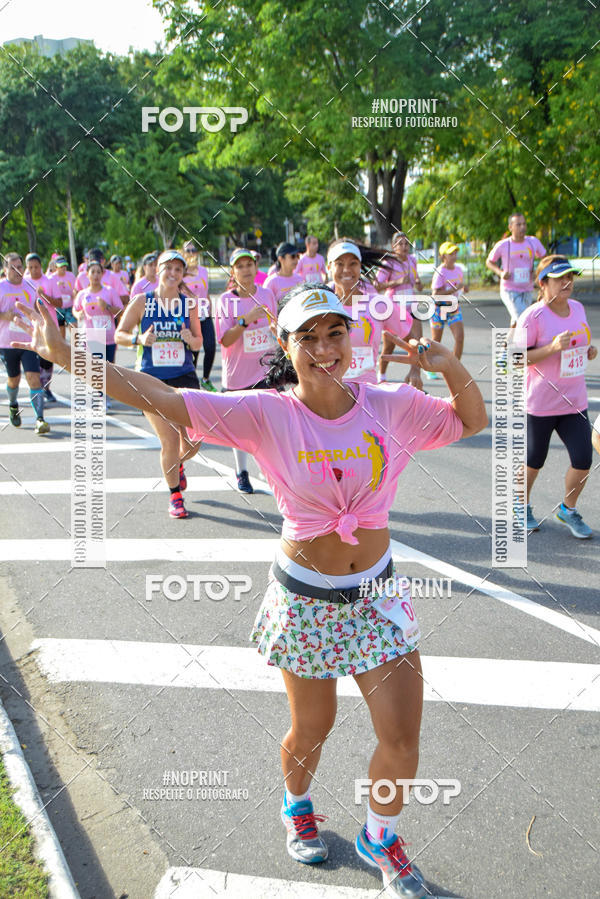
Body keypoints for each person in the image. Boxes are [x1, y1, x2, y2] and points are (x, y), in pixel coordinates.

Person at [17, 283, 487, 899]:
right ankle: (297, 804)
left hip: (376, 597)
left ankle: (381, 832)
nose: (324, 348)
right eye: (308, 337)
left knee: (402, 740)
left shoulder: (392, 404)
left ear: (352, 338)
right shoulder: (266, 413)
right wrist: (68, 357)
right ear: (286, 346)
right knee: (311, 730)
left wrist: (449, 365)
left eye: (335, 333)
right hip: (305, 602)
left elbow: (471, 420)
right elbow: (159, 394)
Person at [115, 250, 204, 518]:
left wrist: (190, 339)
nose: (173, 274)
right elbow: (119, 334)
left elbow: (200, 342)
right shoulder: (142, 301)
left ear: (182, 275)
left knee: (192, 442)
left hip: (184, 376)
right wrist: (138, 340)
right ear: (157, 270)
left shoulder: (189, 304)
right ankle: (175, 494)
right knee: (168, 440)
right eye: (168, 268)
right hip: (150, 377)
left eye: (178, 270)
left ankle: (176, 466)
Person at [518, 256, 596, 538]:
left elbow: (580, 341)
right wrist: (551, 348)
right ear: (544, 283)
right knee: (534, 459)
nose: (567, 282)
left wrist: (588, 350)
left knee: (583, 458)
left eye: (570, 277)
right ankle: (520, 504)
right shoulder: (533, 316)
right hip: (541, 403)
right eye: (560, 278)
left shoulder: (577, 308)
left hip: (574, 400)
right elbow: (516, 357)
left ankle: (568, 509)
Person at [215, 248, 277, 493]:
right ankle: (241, 472)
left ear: (256, 267)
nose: (246, 270)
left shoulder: (268, 294)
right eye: (239, 266)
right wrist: (246, 319)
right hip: (237, 375)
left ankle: (269, 469)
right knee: (239, 427)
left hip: (265, 370)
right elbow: (226, 340)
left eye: (249, 264)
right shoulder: (226, 301)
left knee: (266, 424)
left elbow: (276, 326)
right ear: (233, 272)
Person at [326, 238, 418, 386]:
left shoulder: (378, 305)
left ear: (360, 266)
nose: (347, 270)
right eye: (340, 264)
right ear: (329, 267)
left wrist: (415, 370)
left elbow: (412, 340)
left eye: (353, 263)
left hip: (368, 396)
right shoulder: (319, 307)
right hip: (328, 396)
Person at [1, 252, 57, 434]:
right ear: (5, 269)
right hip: (7, 343)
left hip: (29, 341)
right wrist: (6, 315)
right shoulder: (1, 287)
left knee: (34, 378)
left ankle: (40, 419)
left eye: (19, 266)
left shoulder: (30, 287)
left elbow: (36, 311)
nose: (17, 270)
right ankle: (13, 404)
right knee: (14, 379)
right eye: (12, 267)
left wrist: (42, 327)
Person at [375, 232, 424, 388]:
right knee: (389, 346)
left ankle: (413, 376)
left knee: (418, 343)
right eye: (400, 244)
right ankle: (381, 374)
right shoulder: (389, 263)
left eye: (406, 244)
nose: (404, 247)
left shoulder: (412, 261)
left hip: (411, 306)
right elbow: (377, 285)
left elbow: (415, 281)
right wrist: (397, 282)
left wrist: (418, 283)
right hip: (393, 309)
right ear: (394, 247)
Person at [73, 260, 124, 409]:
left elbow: (121, 311)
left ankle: (105, 394)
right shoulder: (83, 294)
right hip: (92, 335)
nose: (95, 275)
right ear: (87, 274)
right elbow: (75, 309)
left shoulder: (109, 291)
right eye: (92, 272)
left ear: (102, 274)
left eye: (98, 272)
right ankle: (100, 396)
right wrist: (78, 314)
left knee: (108, 368)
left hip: (109, 336)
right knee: (97, 367)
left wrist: (107, 307)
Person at [486, 213, 545, 326]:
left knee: (517, 321)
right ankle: (528, 343)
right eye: (518, 224)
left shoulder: (532, 242)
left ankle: (507, 342)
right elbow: (489, 262)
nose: (522, 227)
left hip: (527, 289)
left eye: (524, 224)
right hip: (510, 290)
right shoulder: (503, 245)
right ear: (510, 227)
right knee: (524, 318)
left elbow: (545, 259)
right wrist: (500, 273)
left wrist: (537, 272)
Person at [428, 241, 468, 379]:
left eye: (455, 253)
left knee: (460, 338)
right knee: (436, 341)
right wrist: (453, 289)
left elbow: (459, 287)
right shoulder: (441, 271)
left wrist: (463, 289)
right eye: (451, 253)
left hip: (453, 307)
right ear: (443, 256)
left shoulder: (458, 270)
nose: (454, 256)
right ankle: (428, 366)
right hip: (439, 308)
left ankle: (455, 367)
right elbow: (435, 295)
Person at [182, 240, 217, 392]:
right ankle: (192, 381)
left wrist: (210, 309)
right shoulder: (181, 274)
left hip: (205, 315)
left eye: (193, 250)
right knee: (193, 351)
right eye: (188, 250)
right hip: (190, 316)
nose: (191, 253)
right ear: (183, 253)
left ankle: (206, 379)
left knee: (210, 347)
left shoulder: (203, 271)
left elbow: (205, 292)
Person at [23, 253, 56, 402]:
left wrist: (45, 296)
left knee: (47, 359)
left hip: (48, 325)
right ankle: (37, 390)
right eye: (30, 267)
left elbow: (60, 303)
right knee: (33, 359)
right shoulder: (24, 282)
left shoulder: (49, 281)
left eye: (36, 267)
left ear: (41, 266)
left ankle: (47, 389)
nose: (34, 270)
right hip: (31, 326)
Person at [46, 256, 77, 331]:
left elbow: (75, 290)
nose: (64, 268)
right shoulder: (51, 278)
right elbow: (48, 294)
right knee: (61, 331)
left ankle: (75, 343)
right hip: (58, 308)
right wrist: (57, 286)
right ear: (56, 267)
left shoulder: (71, 276)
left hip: (69, 306)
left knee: (74, 328)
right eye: (61, 266)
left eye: (65, 266)